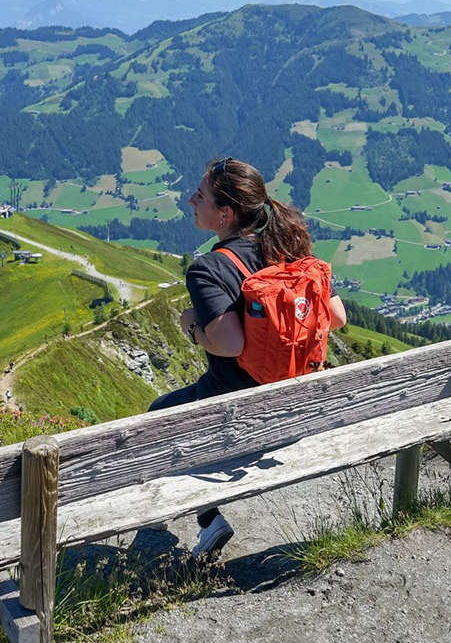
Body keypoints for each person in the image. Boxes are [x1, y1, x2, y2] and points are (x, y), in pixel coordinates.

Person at [148, 157, 347, 559]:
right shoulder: (289, 247)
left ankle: (209, 521)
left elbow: (230, 344)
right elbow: (338, 317)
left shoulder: (209, 269)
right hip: (298, 401)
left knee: (157, 418)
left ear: (225, 214)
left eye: (200, 195)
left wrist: (192, 325)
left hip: (234, 407)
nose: (190, 199)